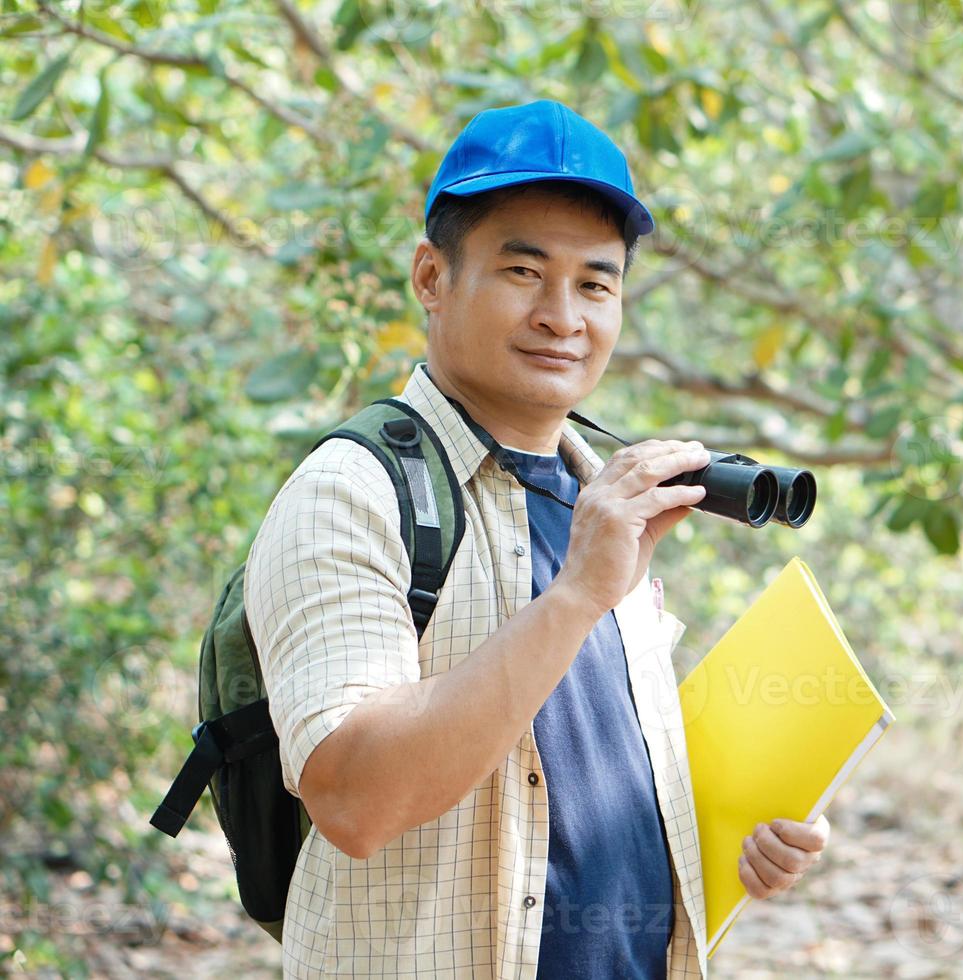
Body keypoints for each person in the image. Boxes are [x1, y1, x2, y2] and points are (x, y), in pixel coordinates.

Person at [243, 99, 829, 978]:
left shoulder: (600, 495)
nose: (564, 316)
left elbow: (584, 783)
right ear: (432, 276)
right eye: (524, 272)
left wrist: (745, 825)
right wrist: (579, 594)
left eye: (596, 284)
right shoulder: (354, 491)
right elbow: (355, 799)